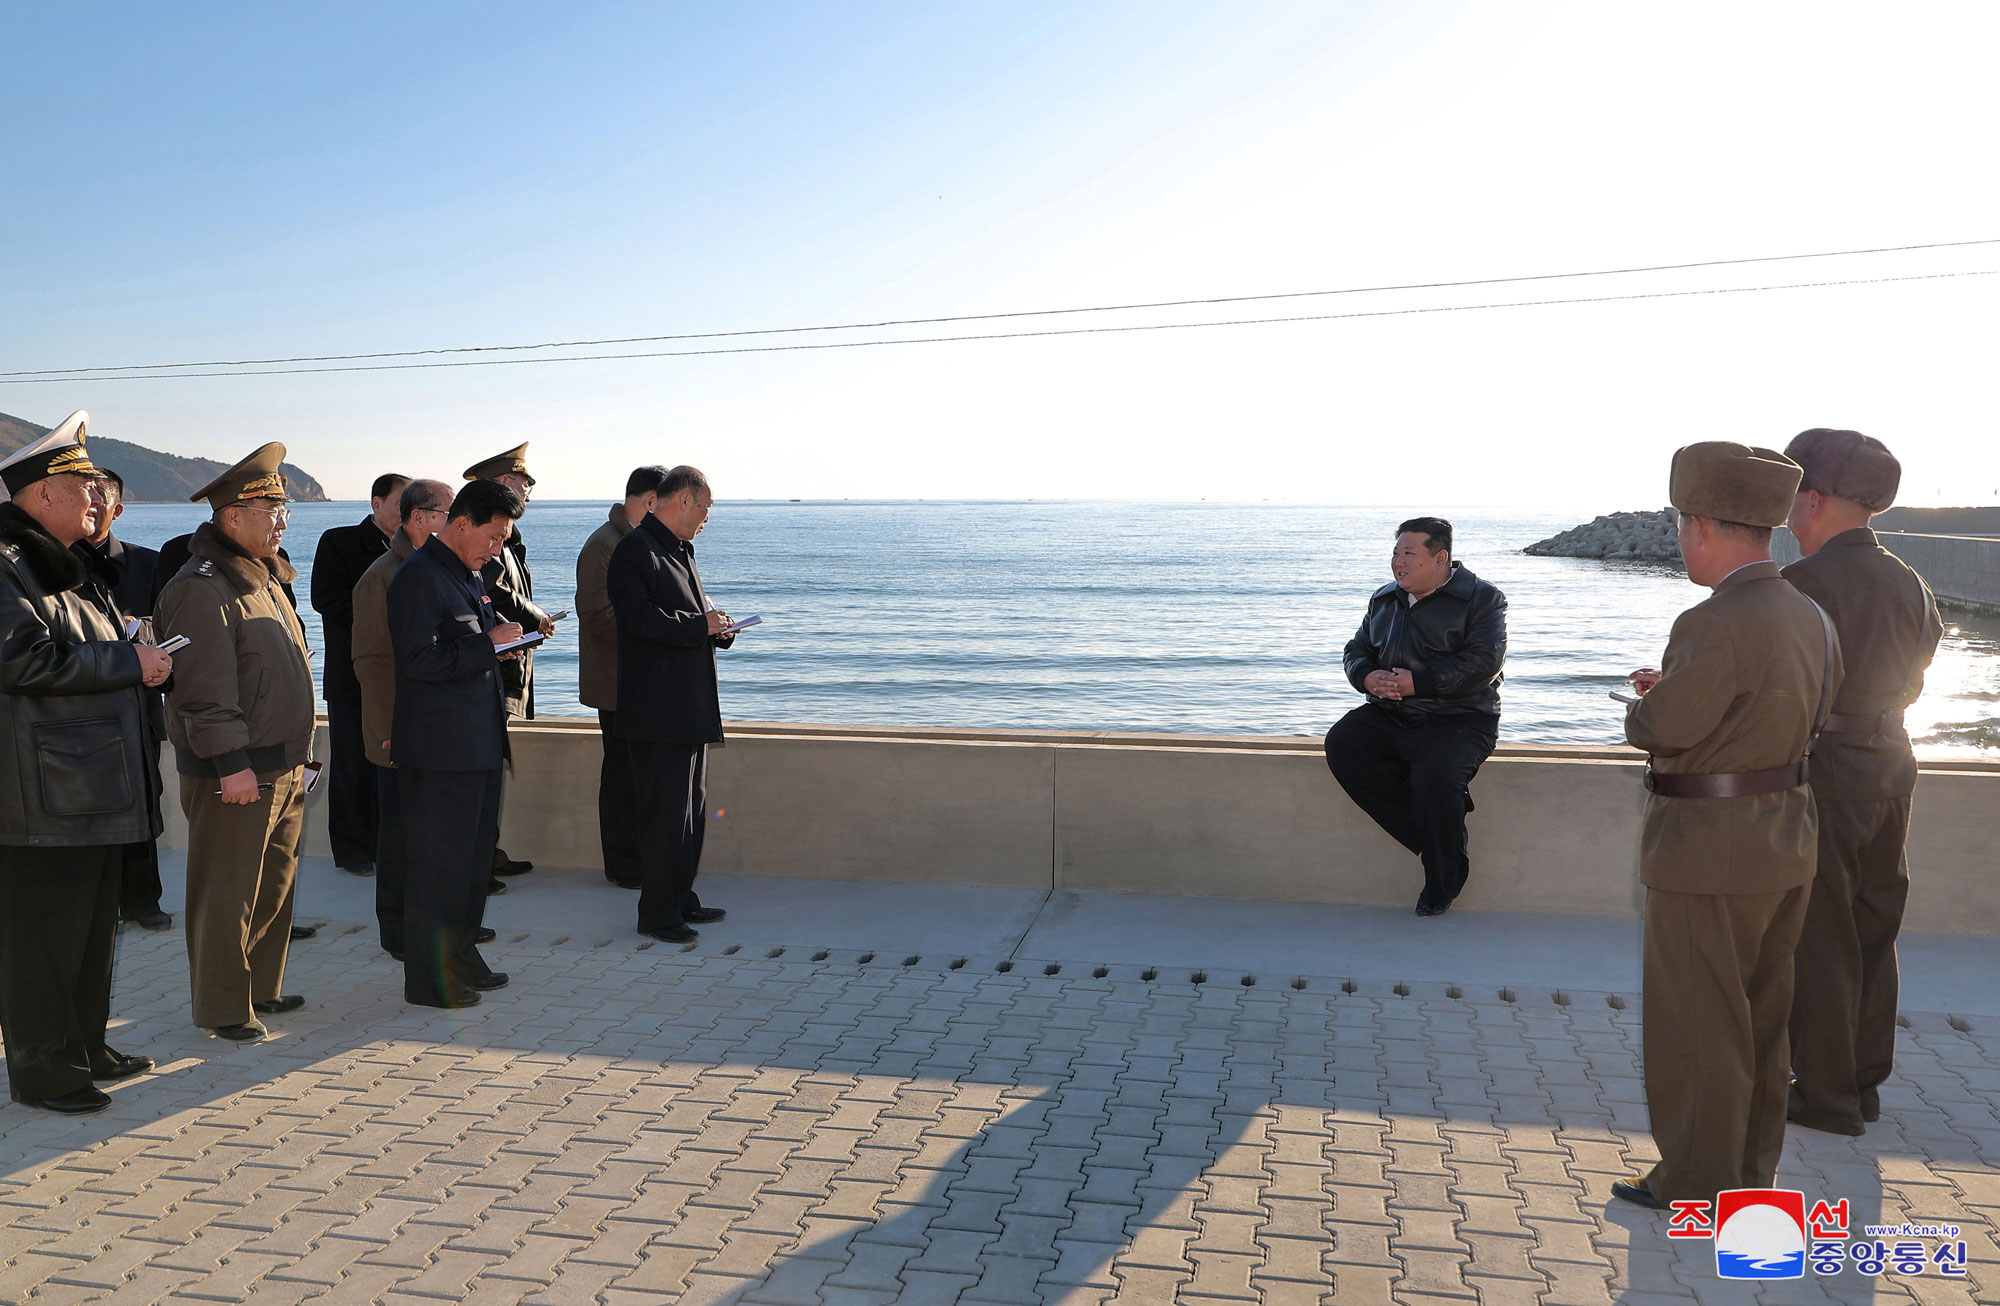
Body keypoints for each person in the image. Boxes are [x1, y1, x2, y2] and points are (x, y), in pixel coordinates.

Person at [1611, 442, 1842, 1212]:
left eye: (1682, 525)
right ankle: (1749, 1174)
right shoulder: (1808, 612)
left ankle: (1696, 1182)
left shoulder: (1712, 620)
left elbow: (1664, 728)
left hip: (1707, 849)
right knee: (1762, 1021)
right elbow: (1793, 708)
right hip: (1786, 838)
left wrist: (1645, 703)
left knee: (1698, 1024)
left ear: (1700, 525)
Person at [0, 412, 166, 1113]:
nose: (99, 501)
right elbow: (23, 660)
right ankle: (45, 1072)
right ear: (43, 496)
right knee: (43, 942)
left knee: (96, 934)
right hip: (43, 797)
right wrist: (128, 659)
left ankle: (88, 1045)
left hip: (90, 788)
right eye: (85, 488)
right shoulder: (9, 566)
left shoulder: (70, 565)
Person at [1780, 430, 1944, 1137]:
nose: (1787, 514)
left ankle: (1825, 1099)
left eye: (1792, 497)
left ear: (1812, 498)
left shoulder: (1805, 583)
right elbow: (1921, 662)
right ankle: (1861, 1084)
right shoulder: (1909, 579)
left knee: (1823, 934)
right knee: (1877, 927)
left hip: (1829, 768)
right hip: (1892, 759)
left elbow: (1780, 691)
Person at [157, 443, 317, 1042]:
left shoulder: (263, 577)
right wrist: (231, 765)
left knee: (272, 884)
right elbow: (203, 692)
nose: (282, 520)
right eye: (271, 508)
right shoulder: (203, 587)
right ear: (232, 515)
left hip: (283, 763)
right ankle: (224, 1009)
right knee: (227, 894)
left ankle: (260, 989)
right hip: (238, 769)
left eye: (284, 509)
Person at [1325, 517, 1507, 917]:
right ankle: (1431, 835)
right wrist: (1367, 676)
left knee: (1436, 780)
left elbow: (1484, 663)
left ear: (1440, 558)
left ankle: (1442, 881)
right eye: (1395, 553)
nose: (1398, 563)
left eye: (1409, 554)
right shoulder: (1384, 599)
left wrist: (1418, 683)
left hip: (1460, 718)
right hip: (1391, 712)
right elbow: (1356, 649)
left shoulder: (1482, 598)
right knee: (1343, 743)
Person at [388, 478, 524, 1008]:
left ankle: (462, 956)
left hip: (478, 745)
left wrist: (502, 644)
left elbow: (470, 643)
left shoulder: (466, 575)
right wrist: (485, 645)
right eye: (493, 538)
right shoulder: (419, 578)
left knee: (470, 868)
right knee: (437, 869)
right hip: (441, 753)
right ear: (461, 524)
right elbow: (418, 661)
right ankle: (427, 979)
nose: (497, 550)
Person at [608, 465, 736, 943]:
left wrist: (716, 628)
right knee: (664, 816)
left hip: (688, 706)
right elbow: (639, 620)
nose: (706, 517)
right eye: (705, 507)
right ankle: (657, 914)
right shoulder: (634, 550)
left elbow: (686, 616)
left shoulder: (680, 549)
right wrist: (696, 626)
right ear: (684, 499)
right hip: (657, 711)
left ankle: (681, 897)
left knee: (691, 812)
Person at [351, 478, 464, 960]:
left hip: (435, 731)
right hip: (400, 732)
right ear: (421, 519)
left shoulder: (437, 569)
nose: (460, 525)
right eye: (450, 515)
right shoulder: (383, 575)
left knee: (433, 839)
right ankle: (397, 933)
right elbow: (373, 663)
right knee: (399, 838)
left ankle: (436, 926)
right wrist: (390, 735)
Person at [72, 467, 172, 931]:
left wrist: (138, 633)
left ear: (117, 510)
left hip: (137, 707)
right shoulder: (49, 568)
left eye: (99, 503)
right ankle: (96, 906)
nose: (90, 510)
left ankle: (142, 901)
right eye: (83, 500)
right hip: (78, 711)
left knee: (143, 802)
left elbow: (172, 631)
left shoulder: (149, 564)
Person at [310, 472, 410, 877]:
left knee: (391, 762)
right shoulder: (339, 541)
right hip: (351, 675)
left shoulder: (417, 550)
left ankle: (386, 844)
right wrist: (384, 611)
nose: (405, 514)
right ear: (375, 503)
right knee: (351, 764)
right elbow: (325, 600)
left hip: (398, 677)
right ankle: (350, 849)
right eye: (399, 504)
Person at [462, 445, 553, 888]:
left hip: (504, 658)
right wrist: (534, 617)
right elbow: (492, 590)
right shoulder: (485, 539)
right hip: (486, 670)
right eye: (523, 483)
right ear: (502, 484)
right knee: (479, 773)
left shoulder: (509, 538)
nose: (529, 491)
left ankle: (486, 853)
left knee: (490, 771)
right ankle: (480, 858)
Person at [578, 465, 668, 889]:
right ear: (651, 501)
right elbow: (597, 616)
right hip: (617, 682)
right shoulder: (604, 545)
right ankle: (623, 864)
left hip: (642, 681)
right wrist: (663, 633)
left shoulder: (640, 541)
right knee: (621, 776)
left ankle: (639, 859)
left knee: (639, 776)